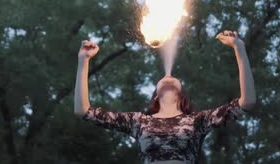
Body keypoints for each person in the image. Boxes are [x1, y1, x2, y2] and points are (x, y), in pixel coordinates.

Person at [74, 30, 256, 164]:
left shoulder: (197, 121)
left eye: (173, 78)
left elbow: (246, 102)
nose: (168, 77)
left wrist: (239, 48)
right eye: (164, 78)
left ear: (181, 94)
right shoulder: (139, 121)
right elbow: (83, 111)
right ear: (155, 96)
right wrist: (84, 60)